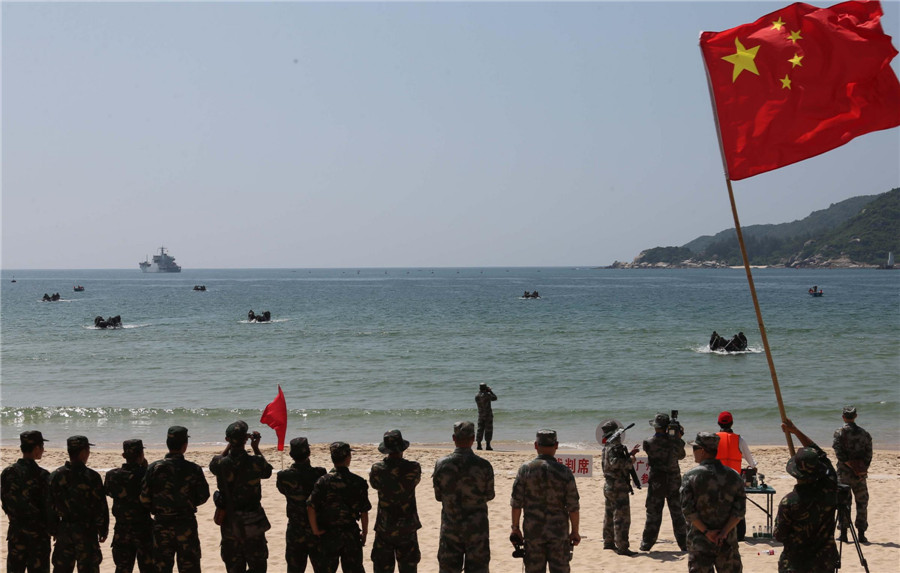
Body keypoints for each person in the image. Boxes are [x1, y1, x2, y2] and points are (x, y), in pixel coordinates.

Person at [140, 425, 211, 573]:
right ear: (185, 445)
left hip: (162, 524)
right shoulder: (193, 469)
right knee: (190, 567)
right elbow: (203, 496)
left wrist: (159, 506)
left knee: (162, 568)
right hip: (186, 524)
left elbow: (145, 498)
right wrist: (188, 502)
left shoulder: (154, 468)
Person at [510, 429, 581, 573]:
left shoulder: (525, 470)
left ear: (536, 445)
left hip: (533, 532)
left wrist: (515, 528)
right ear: (556, 445)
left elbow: (516, 503)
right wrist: (574, 531)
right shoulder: (564, 471)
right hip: (559, 533)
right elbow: (573, 506)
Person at [775, 418, 839, 572]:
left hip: (796, 564)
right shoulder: (830, 489)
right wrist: (795, 430)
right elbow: (821, 455)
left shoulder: (789, 502)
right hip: (824, 563)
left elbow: (779, 535)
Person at [209, 420, 274, 573]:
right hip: (254, 523)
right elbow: (268, 472)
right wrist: (256, 448)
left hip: (231, 523)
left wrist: (230, 445)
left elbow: (216, 463)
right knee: (258, 568)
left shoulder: (219, 463)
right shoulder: (256, 462)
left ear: (227, 440)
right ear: (246, 438)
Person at [432, 421, 495, 573]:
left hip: (451, 527)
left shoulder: (442, 464)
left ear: (454, 438)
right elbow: (489, 495)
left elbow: (439, 496)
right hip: (477, 528)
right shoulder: (484, 465)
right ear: (473, 438)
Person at [680, 432, 745, 573]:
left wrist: (706, 531)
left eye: (694, 449)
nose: (693, 453)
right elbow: (739, 511)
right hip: (727, 541)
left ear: (702, 451)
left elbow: (688, 510)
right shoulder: (733, 475)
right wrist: (724, 532)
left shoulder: (691, 476)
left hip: (700, 541)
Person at [307, 442, 372, 573]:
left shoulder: (323, 481)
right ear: (348, 458)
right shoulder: (358, 482)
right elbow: (364, 511)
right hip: (350, 534)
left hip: (328, 534)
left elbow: (311, 507)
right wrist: (365, 532)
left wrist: (315, 530)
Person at [48, 435, 109, 573]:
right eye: (88, 450)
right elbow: (100, 506)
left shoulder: (56, 476)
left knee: (62, 568)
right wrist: (102, 528)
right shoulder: (91, 476)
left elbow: (50, 505)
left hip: (64, 529)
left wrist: (53, 529)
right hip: (87, 530)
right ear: (82, 453)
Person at [369, 429, 422, 573]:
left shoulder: (377, 469)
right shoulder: (413, 467)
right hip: (407, 526)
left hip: (385, 526)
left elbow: (374, 485)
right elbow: (414, 482)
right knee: (408, 568)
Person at [1, 430, 54, 573]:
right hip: (39, 537)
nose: (43, 450)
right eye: (42, 446)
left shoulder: (8, 472)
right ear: (36, 448)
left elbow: (5, 502)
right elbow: (49, 507)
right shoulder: (43, 475)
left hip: (16, 533)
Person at [276, 437, 327, 573]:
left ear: (291, 455)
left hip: (295, 529)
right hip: (316, 527)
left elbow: (283, 491)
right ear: (309, 453)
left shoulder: (283, 476)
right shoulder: (320, 473)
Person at [640, 413, 687, 552]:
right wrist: (678, 438)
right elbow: (682, 455)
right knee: (678, 514)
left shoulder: (648, 442)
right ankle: (684, 544)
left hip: (657, 481)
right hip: (673, 480)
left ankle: (646, 544)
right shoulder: (674, 442)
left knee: (653, 514)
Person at [104, 439, 153, 573]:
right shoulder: (147, 474)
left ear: (124, 456)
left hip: (122, 529)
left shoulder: (112, 476)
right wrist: (144, 468)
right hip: (144, 529)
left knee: (122, 569)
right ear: (141, 454)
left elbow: (108, 492)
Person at [832, 405, 872, 543]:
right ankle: (861, 534)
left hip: (844, 474)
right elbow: (868, 453)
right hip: (859, 475)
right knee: (862, 503)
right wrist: (862, 469)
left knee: (844, 503)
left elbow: (839, 454)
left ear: (843, 417)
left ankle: (843, 533)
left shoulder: (839, 433)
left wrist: (850, 465)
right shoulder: (864, 433)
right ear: (855, 416)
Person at [599, 420, 639, 556]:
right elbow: (616, 463)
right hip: (617, 486)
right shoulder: (615, 447)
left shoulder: (606, 446)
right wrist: (631, 460)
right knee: (622, 517)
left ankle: (608, 542)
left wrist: (629, 453)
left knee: (609, 514)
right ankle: (622, 546)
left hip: (609, 484)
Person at [715, 411, 756, 541]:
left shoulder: (713, 439)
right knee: (738, 508)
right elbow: (751, 462)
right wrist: (753, 467)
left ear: (718, 423)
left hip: (717, 480)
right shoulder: (739, 439)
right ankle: (739, 535)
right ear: (732, 423)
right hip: (734, 480)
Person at [474, 384, 497, 450]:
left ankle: (479, 445)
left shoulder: (477, 395)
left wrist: (486, 391)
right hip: (488, 415)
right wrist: (490, 391)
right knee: (488, 430)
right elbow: (495, 398)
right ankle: (488, 445)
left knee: (480, 429)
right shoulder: (487, 395)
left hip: (480, 414)